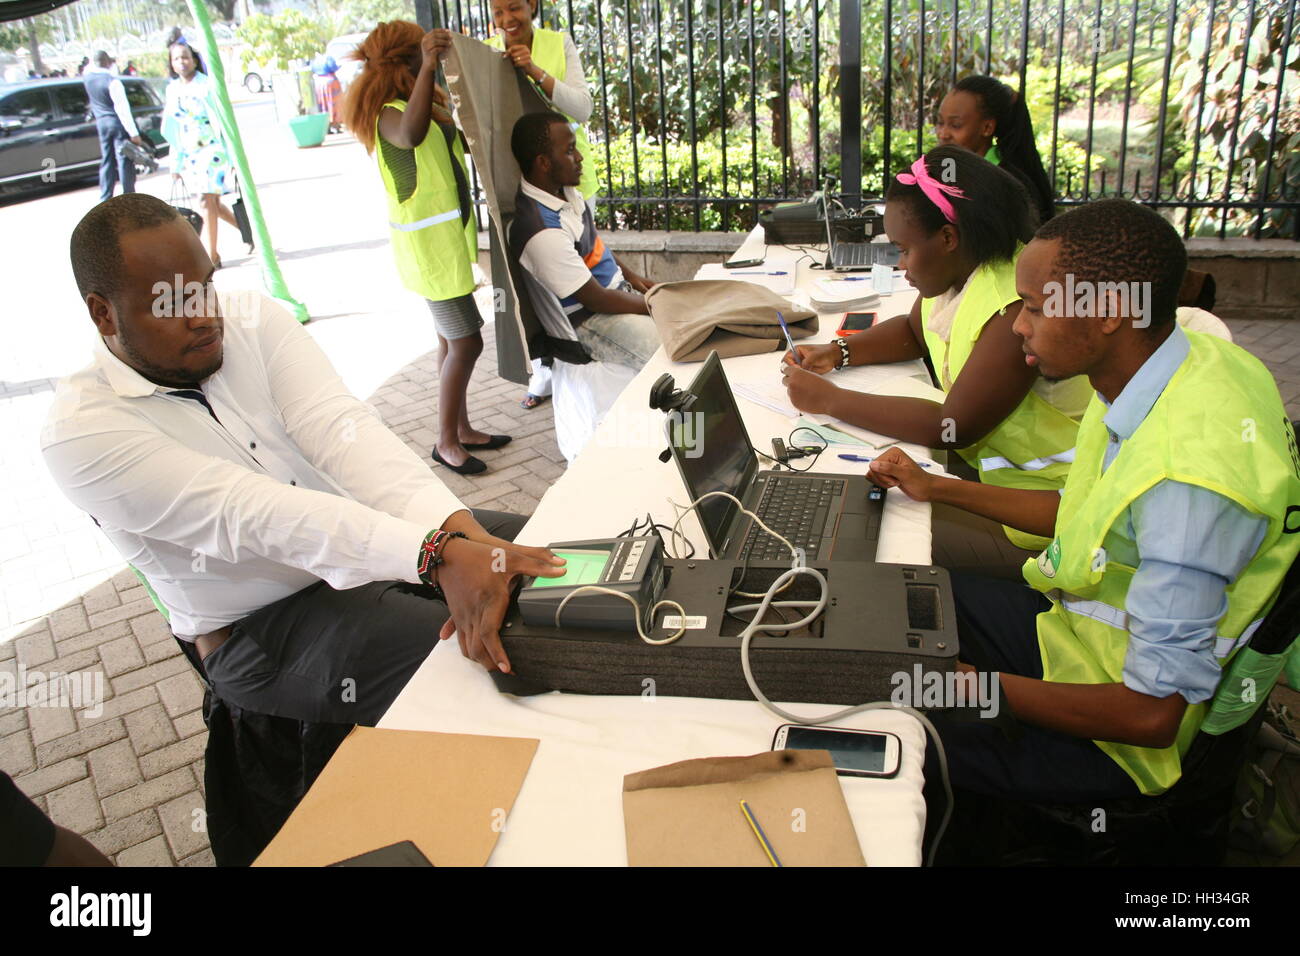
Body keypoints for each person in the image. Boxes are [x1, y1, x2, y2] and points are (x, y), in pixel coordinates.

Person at [43, 195, 565, 730]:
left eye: (205, 285)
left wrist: (463, 536)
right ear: (103, 312)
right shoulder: (80, 432)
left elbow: (343, 433)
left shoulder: (253, 320)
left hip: (370, 545)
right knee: (499, 663)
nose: (202, 314)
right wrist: (438, 554)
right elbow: (253, 514)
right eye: (169, 302)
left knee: (558, 563)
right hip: (261, 625)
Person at [866, 198, 1300, 808]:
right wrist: (937, 487)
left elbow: (1151, 717)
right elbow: (1085, 516)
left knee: (876, 727)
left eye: (1037, 309)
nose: (1018, 325)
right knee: (886, 599)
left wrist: (977, 689)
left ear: (1108, 313)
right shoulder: (1162, 368)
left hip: (1114, 744)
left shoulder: (1190, 487)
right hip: (1072, 640)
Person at [782, 146, 1091, 574]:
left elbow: (953, 427)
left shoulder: (1013, 307)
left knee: (878, 538)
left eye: (904, 250)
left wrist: (831, 401)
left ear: (948, 238)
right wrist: (838, 352)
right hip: (1006, 479)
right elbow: (913, 331)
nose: (901, 265)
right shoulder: (963, 271)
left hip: (1052, 510)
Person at [344, 21, 510, 477]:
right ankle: (445, 442)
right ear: (406, 60)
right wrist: (429, 67)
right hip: (428, 254)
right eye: (418, 51)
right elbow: (412, 136)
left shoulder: (416, 101)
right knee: (467, 342)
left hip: (444, 249)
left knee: (448, 342)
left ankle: (462, 428)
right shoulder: (389, 113)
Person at [435, 0, 601, 410]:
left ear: (532, 6)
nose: (507, 20)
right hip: (514, 187)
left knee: (580, 271)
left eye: (515, 8)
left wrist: (535, 72)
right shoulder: (485, 54)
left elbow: (582, 107)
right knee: (530, 282)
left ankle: (588, 352)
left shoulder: (557, 43)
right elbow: (475, 124)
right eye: (498, 12)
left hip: (570, 182)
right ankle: (545, 369)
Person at [508, 112, 660, 372]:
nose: (579, 157)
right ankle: (693, 415)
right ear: (544, 163)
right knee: (676, 352)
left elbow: (593, 247)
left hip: (612, 298)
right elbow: (596, 300)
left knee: (695, 321)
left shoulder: (563, 193)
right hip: (592, 322)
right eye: (569, 150)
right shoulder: (540, 230)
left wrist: (634, 278)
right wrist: (658, 304)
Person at [162, 39, 242, 269]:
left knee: (205, 202)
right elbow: (174, 129)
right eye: (176, 58)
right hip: (191, 153)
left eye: (185, 57)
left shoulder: (207, 85)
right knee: (212, 204)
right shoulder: (173, 90)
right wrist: (175, 163)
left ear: (194, 59)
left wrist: (234, 157)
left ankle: (211, 255)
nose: (182, 62)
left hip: (212, 150)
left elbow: (224, 123)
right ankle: (249, 232)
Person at [936, 74, 1056, 224]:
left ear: (987, 127)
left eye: (956, 125)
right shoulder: (950, 170)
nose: (943, 134)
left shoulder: (1006, 185)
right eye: (940, 122)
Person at [82, 50, 145, 202]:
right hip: (116, 123)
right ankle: (128, 195)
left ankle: (105, 195)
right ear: (107, 62)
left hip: (101, 124)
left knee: (107, 160)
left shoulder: (87, 79)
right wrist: (133, 133)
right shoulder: (112, 81)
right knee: (124, 159)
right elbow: (122, 109)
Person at [311, 52, 344, 134]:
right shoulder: (329, 61)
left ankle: (327, 126)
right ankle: (336, 125)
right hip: (331, 83)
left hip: (319, 84)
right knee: (335, 105)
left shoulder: (317, 64)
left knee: (323, 105)